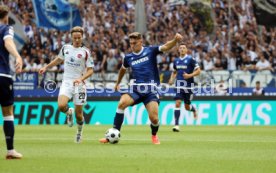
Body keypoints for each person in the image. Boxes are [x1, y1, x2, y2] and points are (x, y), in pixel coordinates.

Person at [99, 32, 183, 144]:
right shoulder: (128, 58)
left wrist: (175, 40)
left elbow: (166, 46)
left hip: (151, 89)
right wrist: (117, 83)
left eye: (135, 43)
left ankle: (154, 135)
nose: (132, 45)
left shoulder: (150, 51)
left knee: (154, 119)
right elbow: (122, 69)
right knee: (121, 103)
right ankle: (113, 134)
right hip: (136, 88)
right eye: (131, 43)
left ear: (141, 41)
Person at [39, 26, 94, 143]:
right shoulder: (66, 48)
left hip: (80, 84)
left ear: (82, 37)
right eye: (75, 37)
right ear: (71, 37)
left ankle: (79, 133)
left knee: (79, 115)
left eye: (79, 37)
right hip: (67, 82)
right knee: (61, 105)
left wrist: (81, 78)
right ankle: (69, 112)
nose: (77, 40)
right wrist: (46, 67)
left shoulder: (86, 52)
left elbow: (90, 70)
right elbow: (58, 60)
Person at [0, 5, 23, 159]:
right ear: (6, 16)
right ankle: (10, 151)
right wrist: (18, 56)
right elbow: (8, 42)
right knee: (8, 112)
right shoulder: (6, 28)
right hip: (2, 75)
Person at [168, 44, 201, 132]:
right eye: (180, 48)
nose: (182, 49)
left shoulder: (191, 59)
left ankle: (194, 110)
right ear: (178, 50)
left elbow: (198, 71)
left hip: (188, 86)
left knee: (187, 106)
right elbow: (174, 71)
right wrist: (171, 79)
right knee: (178, 103)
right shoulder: (176, 61)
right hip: (179, 85)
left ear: (186, 50)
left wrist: (189, 75)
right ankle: (176, 125)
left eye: (184, 48)